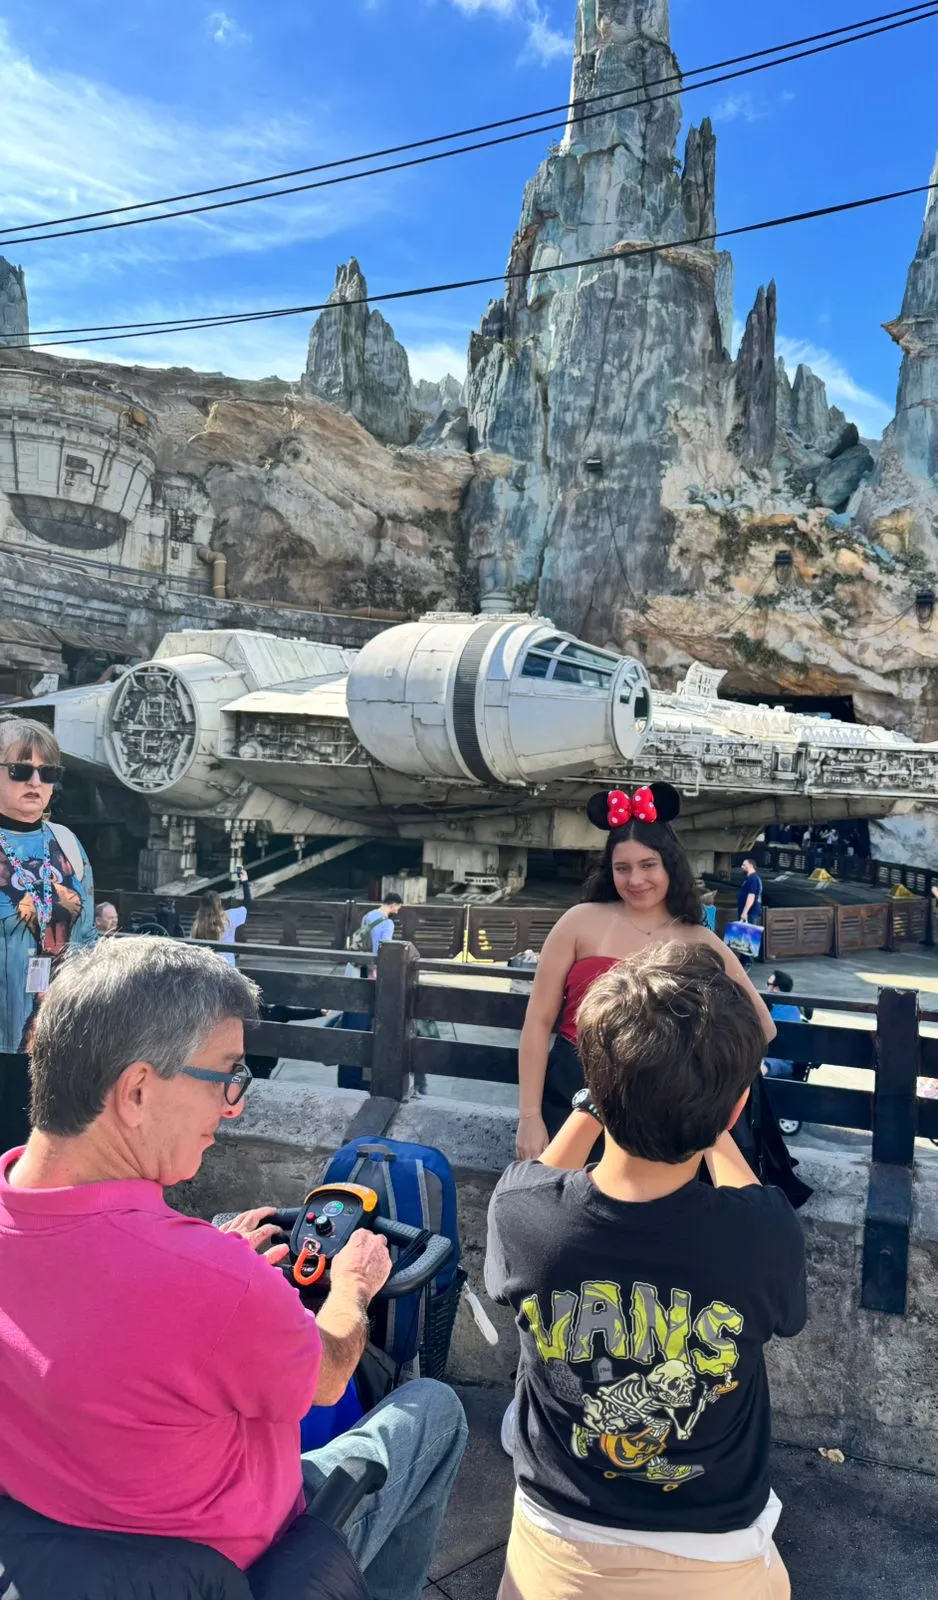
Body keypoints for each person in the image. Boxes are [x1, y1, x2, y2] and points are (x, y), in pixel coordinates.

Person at [0, 938, 467, 1599]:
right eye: (225, 1075)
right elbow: (328, 1376)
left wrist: (213, 1261)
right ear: (136, 1091)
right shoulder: (212, 1280)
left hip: (62, 1556)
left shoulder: (200, 1271)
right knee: (433, 1410)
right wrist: (352, 1287)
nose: (233, 1105)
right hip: (242, 1569)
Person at [487, 943, 805, 1600]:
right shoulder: (762, 1232)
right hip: (717, 1552)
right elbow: (757, 1213)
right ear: (734, 1110)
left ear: (596, 1085)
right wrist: (708, 1116)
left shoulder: (521, 1212)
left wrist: (594, 1102)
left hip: (551, 1548)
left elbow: (535, 1177)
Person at [516, 785, 776, 1159]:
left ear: (670, 864)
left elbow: (763, 1027)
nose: (635, 880)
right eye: (622, 868)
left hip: (662, 1108)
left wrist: (698, 1087)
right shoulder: (578, 921)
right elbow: (538, 1022)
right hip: (569, 1094)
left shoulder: (699, 940)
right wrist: (529, 1116)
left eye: (648, 865)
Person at [0, 717, 96, 1153]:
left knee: (37, 1155)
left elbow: (87, 939)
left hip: (52, 1038)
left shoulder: (68, 843)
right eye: (20, 770)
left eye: (48, 772)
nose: (35, 782)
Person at [339, 893, 406, 1091]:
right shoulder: (388, 924)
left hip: (358, 967)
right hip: (372, 970)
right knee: (369, 1012)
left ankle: (348, 1072)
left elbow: (363, 943)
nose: (398, 910)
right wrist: (376, 969)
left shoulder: (368, 916)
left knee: (355, 1009)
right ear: (393, 905)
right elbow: (383, 949)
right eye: (398, 907)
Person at [190, 867, 252, 965]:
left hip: (206, 967)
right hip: (227, 966)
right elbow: (247, 905)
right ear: (219, 903)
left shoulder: (197, 924)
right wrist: (245, 881)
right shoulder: (229, 917)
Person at [762, 970, 802, 1080]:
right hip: (774, 1058)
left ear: (776, 989)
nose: (766, 987)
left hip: (778, 1061)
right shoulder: (783, 1007)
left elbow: (770, 1038)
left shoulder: (786, 1009)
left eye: (768, 984)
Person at [737, 859, 763, 926]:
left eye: (744, 865)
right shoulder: (754, 878)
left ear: (751, 865)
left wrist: (745, 912)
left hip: (750, 913)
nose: (742, 867)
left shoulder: (752, 879)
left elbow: (751, 896)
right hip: (751, 912)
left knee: (748, 931)